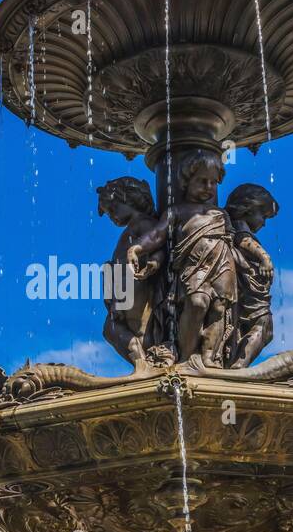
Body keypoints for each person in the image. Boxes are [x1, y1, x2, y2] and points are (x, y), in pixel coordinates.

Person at [128, 148, 237, 366]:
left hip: (224, 264)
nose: (208, 187)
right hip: (194, 266)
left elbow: (234, 243)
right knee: (197, 303)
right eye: (202, 181)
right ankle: (186, 358)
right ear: (186, 181)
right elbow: (158, 234)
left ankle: (209, 357)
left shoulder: (221, 215)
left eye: (213, 183)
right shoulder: (177, 211)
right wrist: (137, 248)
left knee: (218, 309)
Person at [97, 177, 163, 370]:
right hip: (123, 285)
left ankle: (144, 363)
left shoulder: (143, 223)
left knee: (136, 326)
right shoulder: (133, 228)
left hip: (136, 283)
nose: (112, 216)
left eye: (113, 209)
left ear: (129, 199)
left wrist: (155, 261)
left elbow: (160, 244)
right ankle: (143, 363)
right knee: (111, 329)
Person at [225, 183, 279, 366]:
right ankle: (238, 367)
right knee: (265, 326)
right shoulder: (240, 225)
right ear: (248, 209)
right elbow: (243, 240)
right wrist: (265, 257)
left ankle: (236, 363)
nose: (264, 223)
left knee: (254, 327)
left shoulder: (232, 224)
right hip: (246, 286)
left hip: (245, 284)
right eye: (263, 216)